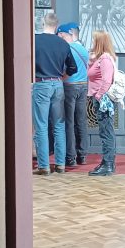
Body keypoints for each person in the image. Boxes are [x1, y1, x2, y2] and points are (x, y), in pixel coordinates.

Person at [32, 11, 77, 176]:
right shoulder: (63, 44)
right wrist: (60, 78)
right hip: (58, 85)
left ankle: (44, 166)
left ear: (43, 23)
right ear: (57, 26)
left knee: (41, 126)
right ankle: (60, 165)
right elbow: (73, 68)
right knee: (59, 125)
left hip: (41, 84)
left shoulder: (35, 41)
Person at [57, 22, 89, 168]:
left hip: (69, 86)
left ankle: (70, 157)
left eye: (60, 35)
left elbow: (65, 68)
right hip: (83, 86)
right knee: (81, 121)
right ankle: (82, 155)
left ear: (65, 34)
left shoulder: (67, 49)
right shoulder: (83, 49)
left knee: (69, 122)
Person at [87, 30, 117, 176]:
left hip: (103, 100)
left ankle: (108, 164)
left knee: (106, 132)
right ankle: (106, 162)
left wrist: (98, 96)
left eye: (94, 40)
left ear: (99, 42)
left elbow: (106, 80)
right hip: (100, 99)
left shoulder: (105, 59)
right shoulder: (100, 58)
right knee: (104, 131)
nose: (92, 42)